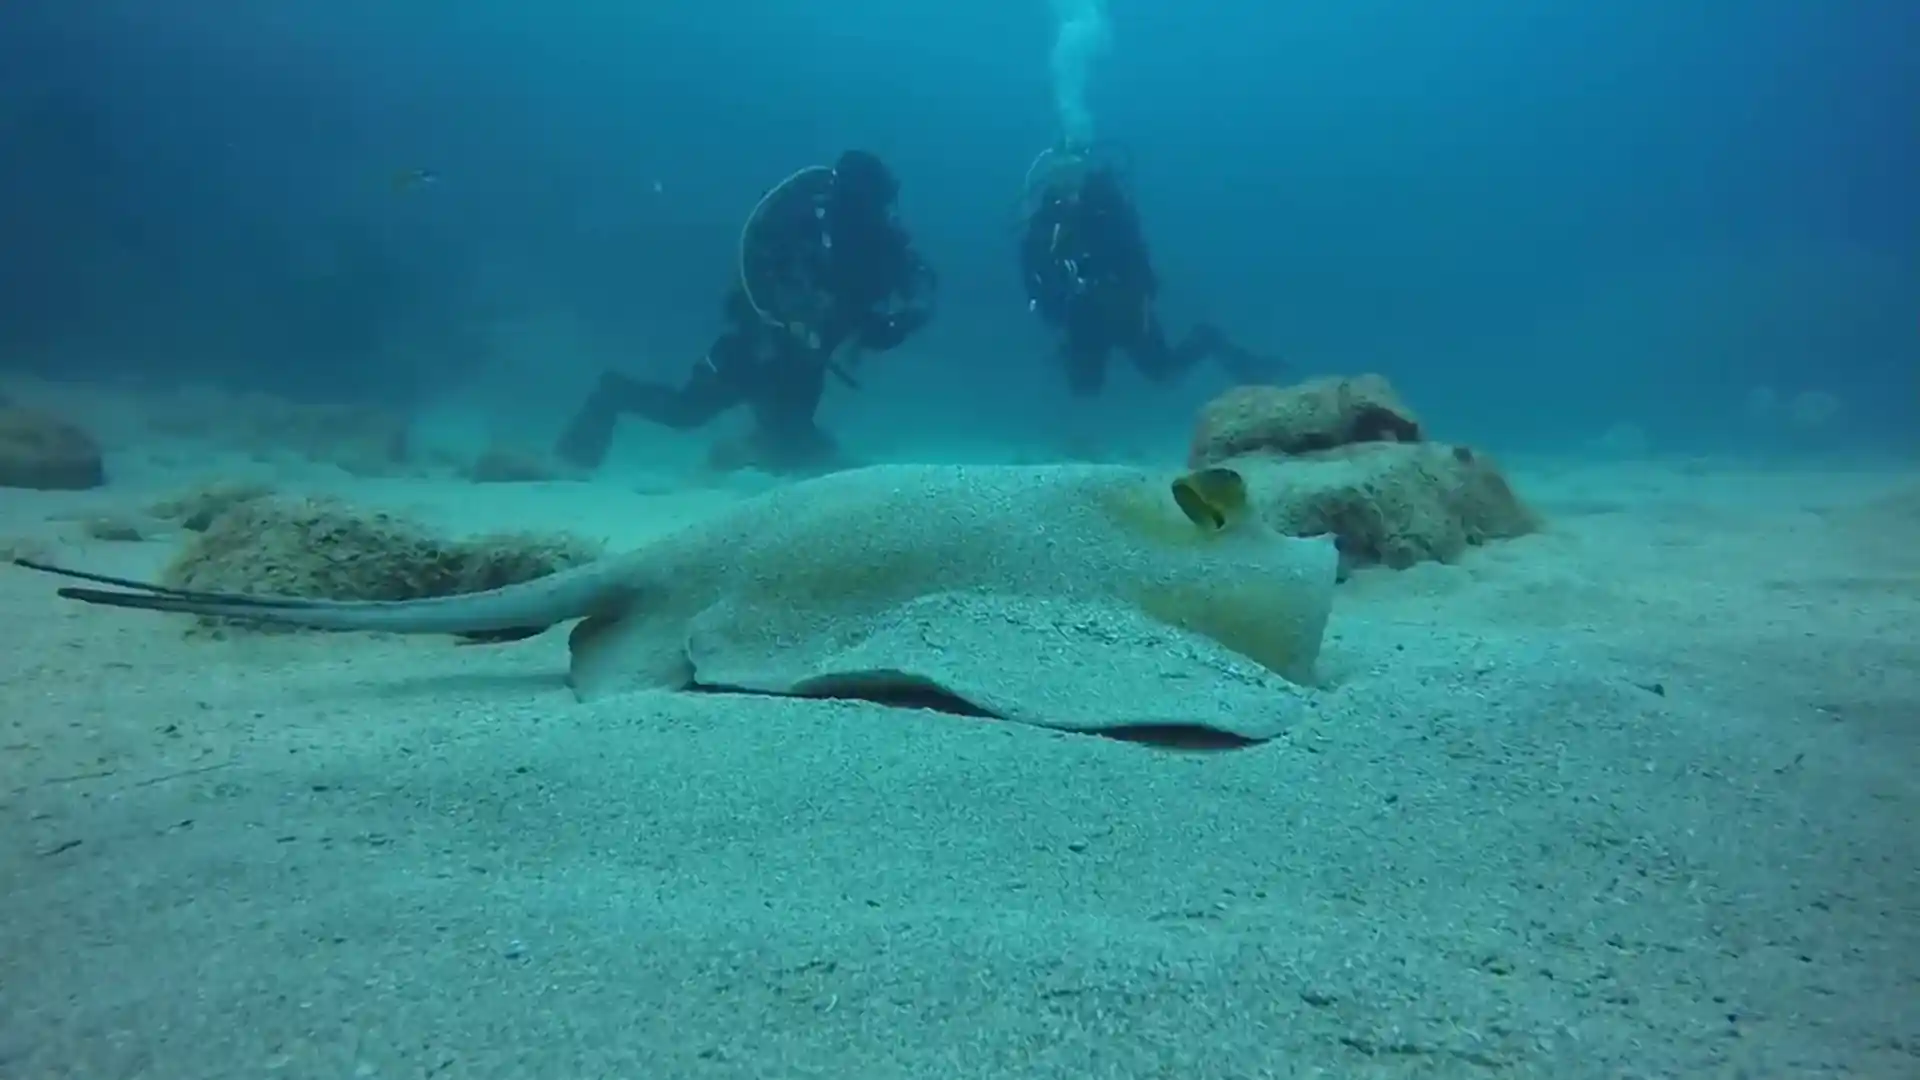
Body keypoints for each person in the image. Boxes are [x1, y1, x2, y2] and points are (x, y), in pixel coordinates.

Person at [556, 149, 935, 472]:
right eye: (869, 202)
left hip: (808, 364)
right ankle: (610, 396)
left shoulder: (881, 244)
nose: (876, 213)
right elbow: (766, 275)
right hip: (757, 349)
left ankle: (744, 455)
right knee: (686, 413)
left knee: (794, 447)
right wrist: (797, 316)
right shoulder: (802, 228)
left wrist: (906, 316)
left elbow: (916, 280)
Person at [1018, 148, 1276, 397]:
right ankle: (1070, 356)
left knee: (1164, 373)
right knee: (1085, 389)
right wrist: (1052, 303)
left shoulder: (1107, 208)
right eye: (1060, 176)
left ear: (1084, 174)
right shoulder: (1043, 223)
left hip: (1123, 308)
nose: (1067, 183)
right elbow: (1033, 273)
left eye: (1073, 174)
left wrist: (1134, 291)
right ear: (1050, 180)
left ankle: (1208, 338)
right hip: (1081, 317)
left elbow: (1135, 255)